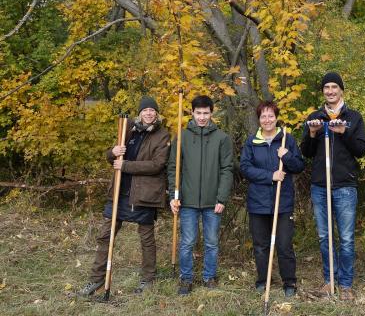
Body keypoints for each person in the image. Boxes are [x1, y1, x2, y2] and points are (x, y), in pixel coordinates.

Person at [79, 96, 170, 296]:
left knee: (146, 238)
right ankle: (96, 280)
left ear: (156, 113)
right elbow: (111, 156)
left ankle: (148, 278)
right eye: (145, 110)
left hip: (145, 194)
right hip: (120, 191)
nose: (149, 113)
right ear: (140, 112)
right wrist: (112, 152)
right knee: (105, 236)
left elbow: (157, 165)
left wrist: (126, 165)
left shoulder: (162, 135)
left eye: (152, 110)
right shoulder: (128, 130)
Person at [300, 72, 365, 300]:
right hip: (320, 186)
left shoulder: (354, 117)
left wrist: (344, 133)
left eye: (334, 87)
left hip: (344, 186)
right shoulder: (315, 117)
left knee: (347, 238)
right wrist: (311, 133)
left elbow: (361, 149)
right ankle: (329, 281)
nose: (330, 91)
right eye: (326, 87)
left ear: (341, 90)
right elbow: (306, 153)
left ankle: (346, 284)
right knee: (324, 236)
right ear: (323, 91)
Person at [168, 95, 233, 295]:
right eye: (199, 113)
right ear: (192, 113)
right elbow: (173, 168)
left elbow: (227, 169)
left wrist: (221, 198)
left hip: (213, 202)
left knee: (211, 242)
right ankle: (186, 278)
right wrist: (173, 195)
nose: (202, 117)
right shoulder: (181, 137)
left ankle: (209, 276)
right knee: (187, 241)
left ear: (211, 113)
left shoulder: (222, 138)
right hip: (186, 201)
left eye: (206, 113)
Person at [240, 101, 305, 297]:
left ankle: (289, 282)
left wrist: (286, 157)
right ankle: (263, 279)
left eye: (270, 116)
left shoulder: (286, 139)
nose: (267, 120)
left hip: (282, 202)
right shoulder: (252, 142)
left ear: (276, 118)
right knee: (261, 246)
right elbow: (245, 168)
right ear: (259, 119)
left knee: (284, 245)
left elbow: (299, 166)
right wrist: (270, 176)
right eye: (263, 116)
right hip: (258, 203)